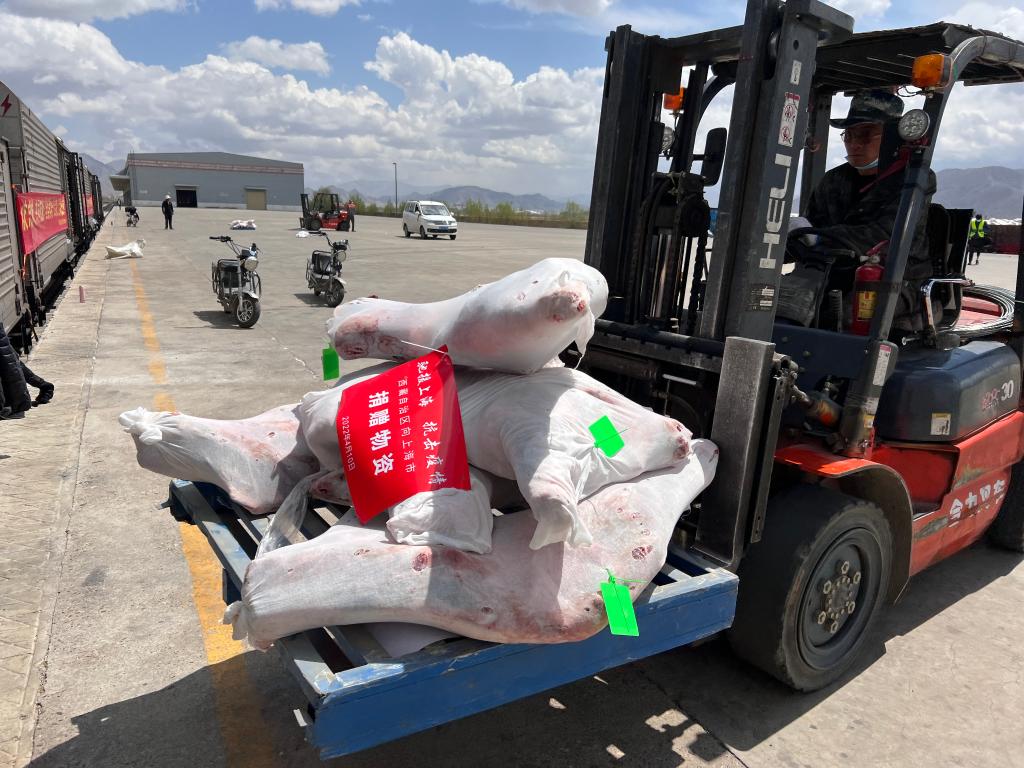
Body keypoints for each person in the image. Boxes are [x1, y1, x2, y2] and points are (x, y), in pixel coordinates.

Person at [799, 89, 937, 331]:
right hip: (834, 274)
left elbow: (884, 235)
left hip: (895, 279)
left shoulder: (913, 179)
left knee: (842, 316)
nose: (854, 144)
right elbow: (810, 227)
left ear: (894, 136)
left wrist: (822, 238)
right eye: (849, 135)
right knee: (773, 300)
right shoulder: (833, 180)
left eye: (865, 135)